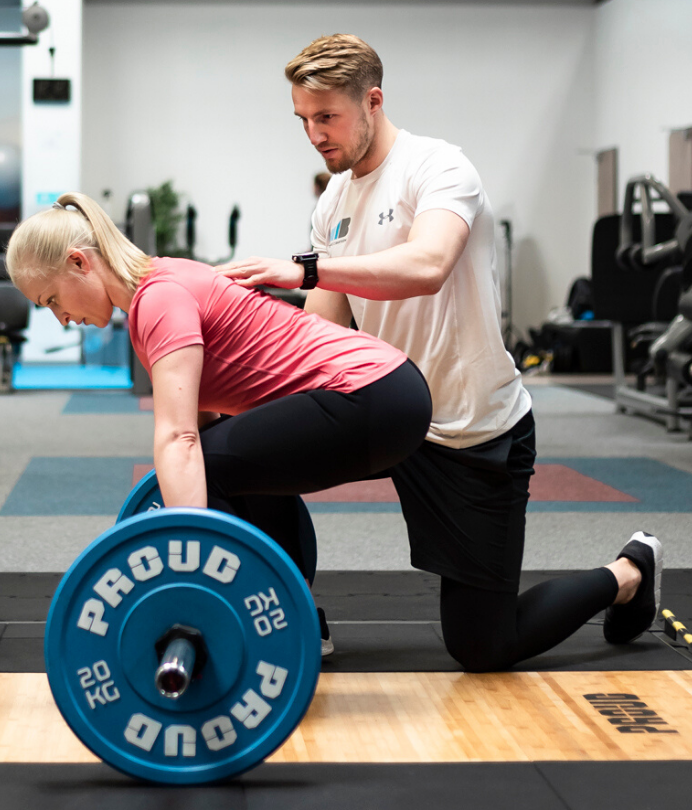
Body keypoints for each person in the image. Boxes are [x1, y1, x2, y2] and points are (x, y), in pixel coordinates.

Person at [218, 34, 661, 671]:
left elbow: (427, 264)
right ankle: (291, 610)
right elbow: (318, 340)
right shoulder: (332, 203)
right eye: (303, 120)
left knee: (484, 646)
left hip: (470, 430)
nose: (314, 135)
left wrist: (309, 270)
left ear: (372, 101)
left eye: (327, 117)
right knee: (239, 451)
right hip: (389, 411)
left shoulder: (440, 169)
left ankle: (628, 573)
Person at [5, 193, 433, 602]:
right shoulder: (160, 283)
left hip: (369, 393)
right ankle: (292, 610)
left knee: (206, 465)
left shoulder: (158, 299)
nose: (60, 318)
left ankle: (259, 605)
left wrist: (188, 565)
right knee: (239, 461)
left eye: (52, 299)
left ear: (79, 262)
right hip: (389, 389)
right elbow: (208, 422)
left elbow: (179, 440)